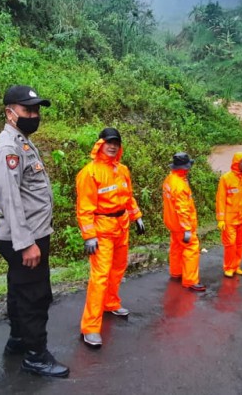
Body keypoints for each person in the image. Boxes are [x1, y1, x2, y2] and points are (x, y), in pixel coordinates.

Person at [0, 85, 69, 378]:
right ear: (10, 113)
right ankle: (36, 355)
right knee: (35, 296)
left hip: (30, 234)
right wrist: (26, 244)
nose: (34, 115)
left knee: (19, 289)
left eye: (36, 110)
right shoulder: (7, 148)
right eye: (27, 110)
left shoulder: (21, 141)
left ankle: (19, 340)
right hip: (25, 238)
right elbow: (10, 198)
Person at [76, 127, 145, 347]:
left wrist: (137, 217)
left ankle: (111, 302)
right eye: (109, 142)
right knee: (100, 277)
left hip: (121, 226)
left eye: (116, 142)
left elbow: (128, 197)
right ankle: (91, 327)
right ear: (100, 144)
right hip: (102, 230)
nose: (113, 146)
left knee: (118, 269)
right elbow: (84, 208)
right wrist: (89, 236)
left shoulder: (122, 170)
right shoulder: (90, 173)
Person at [161, 152, 206, 292]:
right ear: (184, 168)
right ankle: (190, 280)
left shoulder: (170, 179)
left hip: (173, 223)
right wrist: (187, 229)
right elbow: (182, 209)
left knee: (176, 247)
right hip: (182, 225)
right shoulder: (180, 185)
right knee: (191, 248)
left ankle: (176, 273)